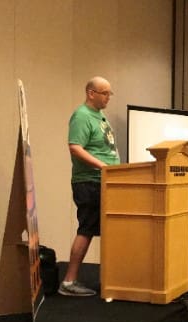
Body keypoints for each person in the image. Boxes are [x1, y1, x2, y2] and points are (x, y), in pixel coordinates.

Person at [62, 76, 120, 297]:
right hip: (89, 182)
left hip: (106, 181)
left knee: (107, 230)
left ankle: (114, 279)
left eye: (109, 93)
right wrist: (103, 166)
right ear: (91, 93)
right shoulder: (82, 116)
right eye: (104, 93)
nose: (108, 98)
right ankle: (69, 282)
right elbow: (75, 147)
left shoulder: (100, 116)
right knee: (86, 229)